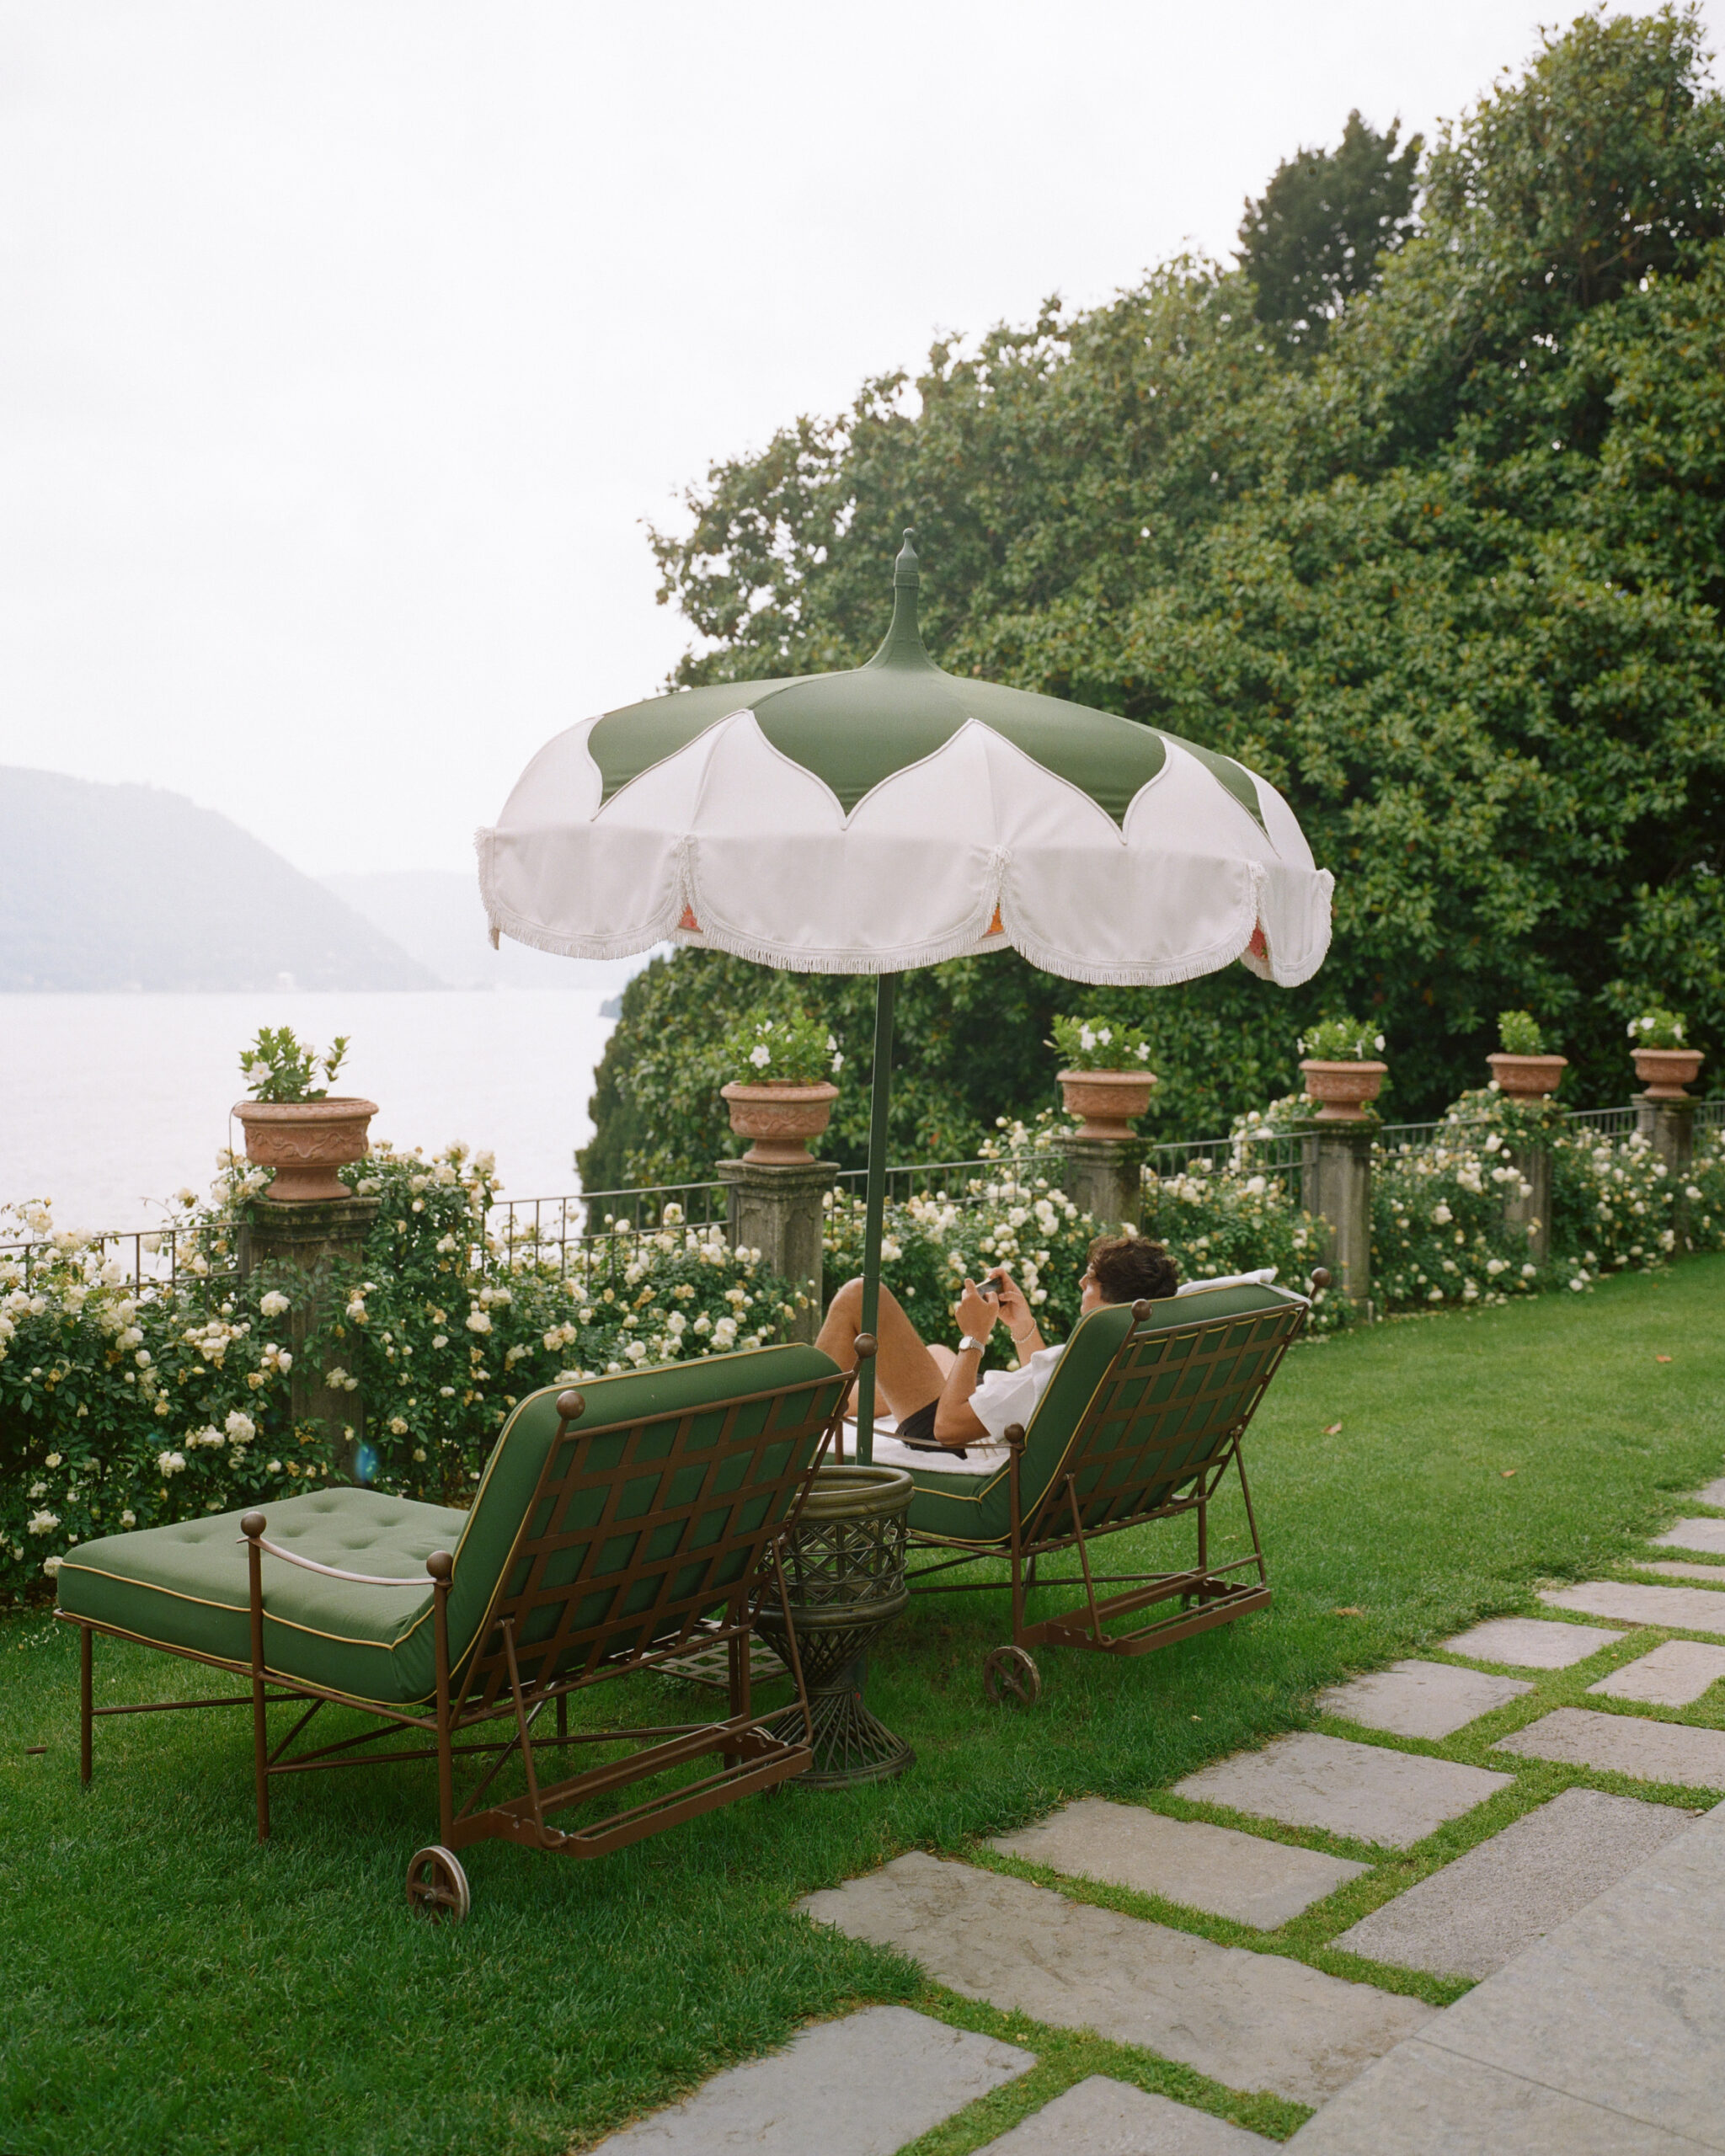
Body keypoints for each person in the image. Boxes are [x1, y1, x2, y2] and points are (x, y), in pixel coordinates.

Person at [816, 1232, 1179, 1454]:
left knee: (861, 1295)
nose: (1082, 1284)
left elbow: (948, 1429)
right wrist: (1021, 1324)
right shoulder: (1126, 1350)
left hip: (942, 1435)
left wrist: (975, 1336)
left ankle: (792, 1416)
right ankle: (829, 1405)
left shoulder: (1082, 1360)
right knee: (936, 1355)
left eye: (1092, 1279)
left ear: (1112, 1296)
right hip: (977, 1411)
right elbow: (1042, 1390)